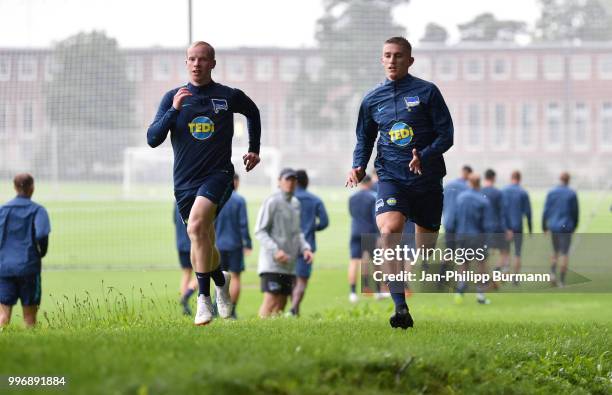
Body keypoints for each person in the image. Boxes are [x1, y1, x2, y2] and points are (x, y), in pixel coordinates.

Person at [147, 41, 261, 326]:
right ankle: (221, 280)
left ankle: (203, 299)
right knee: (203, 236)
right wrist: (173, 110)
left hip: (218, 176)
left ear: (212, 63)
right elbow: (152, 138)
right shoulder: (173, 97)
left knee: (197, 227)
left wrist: (254, 148)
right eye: (191, 59)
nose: (196, 64)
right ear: (186, 63)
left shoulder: (226, 96)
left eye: (202, 59)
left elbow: (253, 111)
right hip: (184, 183)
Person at [346, 36, 454, 329]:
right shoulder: (371, 100)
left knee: (426, 251)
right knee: (389, 230)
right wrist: (358, 165)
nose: (392, 60)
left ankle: (419, 270)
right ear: (381, 60)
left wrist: (426, 156)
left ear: (410, 60)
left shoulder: (428, 92)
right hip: (392, 177)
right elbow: (364, 139)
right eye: (387, 55)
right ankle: (400, 307)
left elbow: (447, 136)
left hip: (427, 180)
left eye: (398, 56)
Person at [255, 168, 313, 318]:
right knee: (271, 299)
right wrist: (275, 251)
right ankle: (259, 332)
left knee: (281, 302)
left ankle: (272, 336)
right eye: (287, 179)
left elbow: (297, 232)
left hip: (289, 263)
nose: (291, 183)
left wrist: (305, 248)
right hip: (272, 262)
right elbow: (260, 231)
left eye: (293, 180)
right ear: (279, 182)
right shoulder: (272, 201)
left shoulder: (295, 204)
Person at [0, 174, 51, 328]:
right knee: (29, 318)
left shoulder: (3, 210)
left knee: (3, 316)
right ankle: (30, 349)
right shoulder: (38, 210)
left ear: (15, 188)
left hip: (4, 268)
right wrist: (41, 251)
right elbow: (42, 233)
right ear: (32, 188)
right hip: (28, 267)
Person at [290, 170, 329, 316]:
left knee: (291, 280)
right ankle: (294, 308)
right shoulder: (315, 200)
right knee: (301, 281)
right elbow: (324, 222)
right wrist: (313, 228)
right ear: (307, 182)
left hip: (289, 245)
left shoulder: (288, 198)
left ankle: (294, 310)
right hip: (308, 245)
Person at [214, 174, 252, 318]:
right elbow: (243, 224)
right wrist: (247, 243)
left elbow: (213, 223)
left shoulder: (217, 199)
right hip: (235, 245)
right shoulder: (240, 200)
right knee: (235, 277)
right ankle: (232, 311)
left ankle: (217, 308)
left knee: (219, 278)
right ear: (236, 182)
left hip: (218, 244)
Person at [451, 173, 491, 305]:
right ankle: (480, 295)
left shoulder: (460, 198)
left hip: (461, 235)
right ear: (479, 183)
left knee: (463, 264)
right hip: (477, 236)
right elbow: (486, 224)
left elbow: (455, 218)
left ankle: (460, 289)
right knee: (481, 264)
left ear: (469, 183)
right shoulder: (483, 200)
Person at [542, 172, 579, 287]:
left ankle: (552, 272)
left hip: (554, 226)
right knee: (565, 253)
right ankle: (562, 280)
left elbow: (546, 210)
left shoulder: (552, 192)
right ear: (568, 180)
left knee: (555, 251)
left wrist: (544, 226)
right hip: (566, 226)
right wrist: (574, 226)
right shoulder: (572, 193)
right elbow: (575, 212)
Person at [348, 174, 378, 303]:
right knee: (375, 262)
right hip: (369, 232)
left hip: (355, 231)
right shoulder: (373, 197)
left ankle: (353, 293)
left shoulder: (352, 197)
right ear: (370, 183)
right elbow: (375, 217)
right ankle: (378, 291)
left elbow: (351, 213)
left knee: (354, 261)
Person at [501, 170, 532, 283]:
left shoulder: (503, 191)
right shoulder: (523, 192)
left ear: (511, 177)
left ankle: (504, 274)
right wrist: (530, 229)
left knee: (505, 252)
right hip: (518, 226)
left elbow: (500, 210)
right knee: (517, 253)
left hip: (505, 227)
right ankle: (515, 278)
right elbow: (528, 212)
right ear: (520, 179)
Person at [481, 169, 512, 272]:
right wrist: (506, 229)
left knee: (483, 255)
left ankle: (484, 276)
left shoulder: (479, 192)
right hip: (497, 227)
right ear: (494, 178)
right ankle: (496, 272)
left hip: (483, 228)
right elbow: (502, 213)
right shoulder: (498, 193)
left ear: (485, 177)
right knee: (504, 252)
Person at [174, 204, 198, 316]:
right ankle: (187, 295)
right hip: (194, 242)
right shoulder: (197, 198)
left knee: (186, 273)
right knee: (203, 273)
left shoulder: (177, 200)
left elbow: (174, 220)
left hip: (181, 243)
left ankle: (185, 306)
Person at [442, 165, 472, 252]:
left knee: (449, 250)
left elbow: (442, 203)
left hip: (448, 221)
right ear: (469, 174)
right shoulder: (467, 188)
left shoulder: (448, 185)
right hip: (462, 224)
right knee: (463, 252)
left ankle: (444, 265)